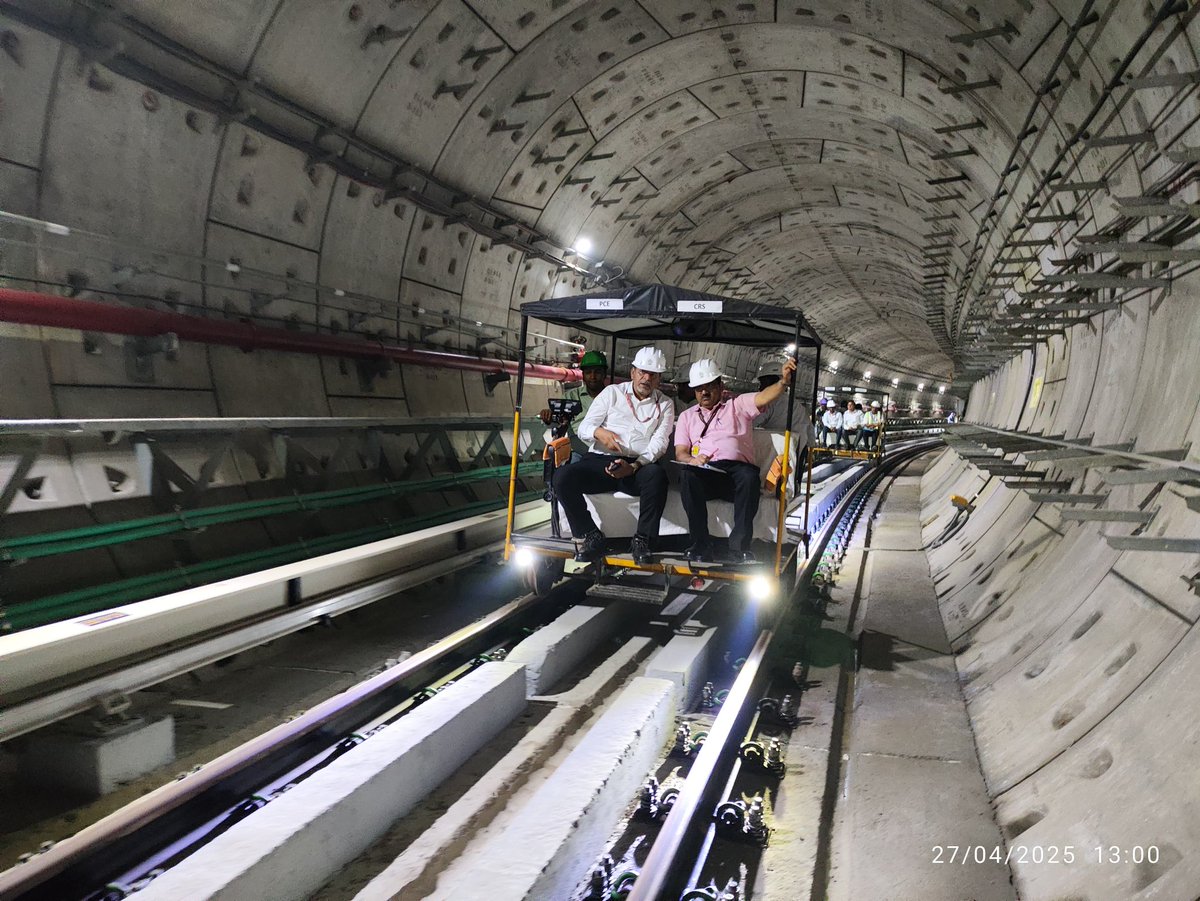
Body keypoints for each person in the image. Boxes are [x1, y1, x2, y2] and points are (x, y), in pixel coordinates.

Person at [553, 346, 674, 565]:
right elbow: (585, 427)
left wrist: (636, 465)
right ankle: (590, 534)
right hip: (600, 461)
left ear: (658, 379)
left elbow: (660, 442)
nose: (646, 378)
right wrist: (599, 432)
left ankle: (642, 540)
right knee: (562, 477)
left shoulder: (665, 404)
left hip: (636, 466)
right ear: (632, 373)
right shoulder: (612, 393)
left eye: (653, 375)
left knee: (657, 477)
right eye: (642, 372)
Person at [673, 356, 797, 564]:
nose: (704, 392)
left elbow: (764, 397)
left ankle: (739, 548)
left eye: (710, 386)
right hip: (707, 471)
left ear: (721, 386)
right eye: (699, 388)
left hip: (737, 474)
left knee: (749, 477)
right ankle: (700, 544)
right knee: (687, 475)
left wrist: (783, 382)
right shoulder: (687, 416)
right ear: (694, 391)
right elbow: (681, 453)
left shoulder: (737, 405)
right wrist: (693, 460)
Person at [540, 349, 607, 456]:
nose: (593, 377)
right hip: (578, 451)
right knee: (564, 472)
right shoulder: (571, 396)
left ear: (604, 374)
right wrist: (548, 417)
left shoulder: (613, 396)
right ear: (583, 375)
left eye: (597, 372)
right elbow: (558, 421)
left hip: (605, 451)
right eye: (588, 372)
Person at [753, 355, 791, 431]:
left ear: (769, 381)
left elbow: (751, 423)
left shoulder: (770, 402)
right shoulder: (795, 404)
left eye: (762, 383)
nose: (759, 388)